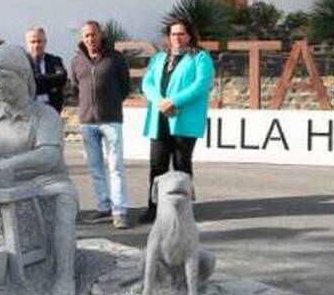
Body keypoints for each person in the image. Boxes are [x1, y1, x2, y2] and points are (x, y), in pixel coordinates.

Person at [0, 44, 79, 295]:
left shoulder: (45, 115)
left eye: (5, 76)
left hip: (42, 180)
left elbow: (49, 155)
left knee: (64, 199)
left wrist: (8, 164)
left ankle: (64, 275)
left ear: (23, 76)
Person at [141, 16, 214, 223]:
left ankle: (183, 211)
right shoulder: (160, 58)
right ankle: (154, 208)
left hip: (183, 119)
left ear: (190, 35)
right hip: (160, 118)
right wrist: (161, 102)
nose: (177, 38)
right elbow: (148, 84)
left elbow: (200, 86)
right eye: (173, 34)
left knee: (181, 165)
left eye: (181, 33)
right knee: (157, 166)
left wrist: (174, 102)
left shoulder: (200, 58)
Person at [68, 21, 132, 228]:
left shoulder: (116, 58)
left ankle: (119, 210)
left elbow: (125, 88)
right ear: (82, 38)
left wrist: (110, 105)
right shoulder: (77, 61)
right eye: (86, 36)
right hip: (87, 122)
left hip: (111, 120)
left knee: (115, 168)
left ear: (101, 34)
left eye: (93, 35)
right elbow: (76, 88)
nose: (90, 39)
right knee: (95, 168)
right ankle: (104, 206)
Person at [25, 26, 67, 114]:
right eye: (33, 42)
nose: (36, 45)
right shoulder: (21, 63)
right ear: (27, 44)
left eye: (39, 41)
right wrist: (51, 84)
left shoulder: (55, 60)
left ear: (45, 42)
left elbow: (62, 78)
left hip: (51, 112)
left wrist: (37, 80)